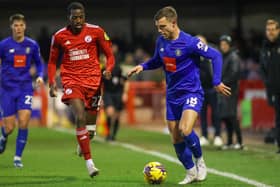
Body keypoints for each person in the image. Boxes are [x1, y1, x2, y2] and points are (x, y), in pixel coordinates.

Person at [128, 6, 231, 184]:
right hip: (172, 95)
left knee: (185, 130)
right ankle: (190, 172)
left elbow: (215, 55)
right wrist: (143, 66)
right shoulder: (161, 42)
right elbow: (156, 61)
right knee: (175, 137)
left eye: (163, 27)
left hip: (191, 92)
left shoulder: (190, 42)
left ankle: (200, 161)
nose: (160, 31)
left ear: (174, 23)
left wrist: (216, 81)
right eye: (158, 28)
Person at [47, 2, 115, 177]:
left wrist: (108, 69)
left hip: (93, 82)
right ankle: (90, 163)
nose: (78, 21)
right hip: (72, 81)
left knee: (90, 131)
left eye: (81, 17)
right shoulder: (60, 36)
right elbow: (53, 61)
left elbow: (109, 55)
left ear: (84, 16)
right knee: (80, 116)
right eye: (74, 17)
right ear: (68, 18)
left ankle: (82, 142)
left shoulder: (97, 31)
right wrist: (52, 82)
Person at [0, 14, 44, 168]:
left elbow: (39, 64)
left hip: (25, 88)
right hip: (6, 89)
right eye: (15, 25)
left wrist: (39, 76)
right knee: (10, 127)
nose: (18, 28)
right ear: (11, 27)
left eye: (21, 25)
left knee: (24, 121)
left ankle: (17, 157)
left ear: (25, 27)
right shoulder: (3, 45)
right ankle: (3, 136)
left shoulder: (32, 45)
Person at [196, 35, 223, 147]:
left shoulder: (211, 55)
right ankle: (204, 136)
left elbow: (218, 69)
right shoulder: (193, 58)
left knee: (216, 113)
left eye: (201, 42)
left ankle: (218, 135)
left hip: (212, 89)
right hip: (200, 90)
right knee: (202, 114)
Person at [218, 35, 243, 150]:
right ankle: (229, 142)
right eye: (221, 44)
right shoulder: (224, 57)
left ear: (229, 45)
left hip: (231, 90)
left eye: (225, 44)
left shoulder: (233, 57)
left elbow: (234, 73)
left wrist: (222, 83)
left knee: (232, 116)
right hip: (225, 90)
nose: (223, 46)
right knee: (226, 116)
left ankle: (239, 141)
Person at [260, 19, 280, 153]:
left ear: (278, 30)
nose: (270, 32)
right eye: (268, 30)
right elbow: (263, 68)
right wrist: (267, 84)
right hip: (274, 89)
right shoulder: (265, 47)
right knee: (278, 117)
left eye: (273, 29)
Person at [103, 61, 128, 141]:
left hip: (118, 93)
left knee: (117, 115)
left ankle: (113, 135)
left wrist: (125, 93)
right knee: (110, 112)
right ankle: (108, 134)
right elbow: (100, 84)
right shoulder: (103, 70)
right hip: (108, 93)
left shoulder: (118, 68)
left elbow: (126, 81)